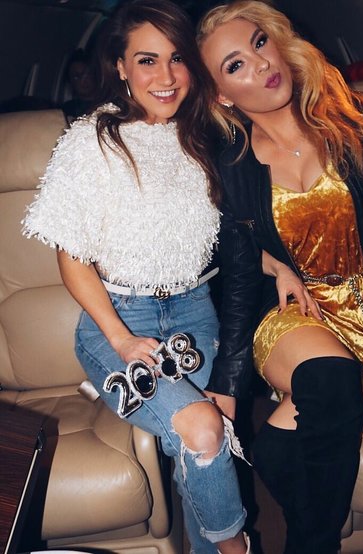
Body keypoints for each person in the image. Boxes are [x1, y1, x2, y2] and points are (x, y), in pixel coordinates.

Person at [197, 2, 363, 553]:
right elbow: (241, 279)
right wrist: (227, 383)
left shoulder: (362, 121)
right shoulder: (233, 165)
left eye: (260, 43)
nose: (260, 64)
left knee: (291, 441)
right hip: (290, 318)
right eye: (235, 65)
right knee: (329, 380)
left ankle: (295, 511)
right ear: (222, 95)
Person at [22, 2, 251, 553]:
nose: (165, 76)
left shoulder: (203, 136)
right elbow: (72, 258)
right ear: (121, 66)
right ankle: (237, 549)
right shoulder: (93, 139)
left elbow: (231, 233)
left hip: (196, 312)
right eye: (147, 60)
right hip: (118, 320)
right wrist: (123, 340)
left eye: (177, 58)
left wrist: (278, 267)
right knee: (203, 430)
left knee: (202, 448)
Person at [62, 48, 97, 119]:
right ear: (71, 81)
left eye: (86, 74)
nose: (83, 80)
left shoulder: (108, 105)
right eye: (77, 76)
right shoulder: (67, 110)